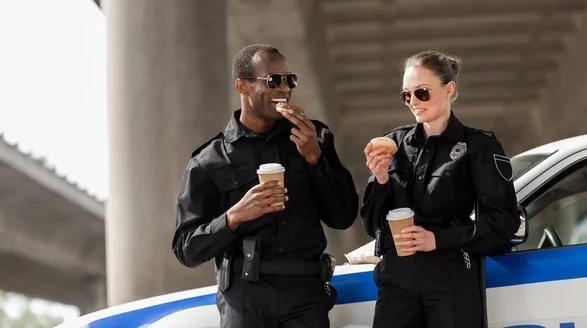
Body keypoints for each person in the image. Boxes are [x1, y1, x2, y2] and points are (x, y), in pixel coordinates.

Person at [172, 44, 358, 328]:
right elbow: (186, 249)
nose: (284, 88)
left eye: (289, 80)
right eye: (273, 80)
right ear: (243, 86)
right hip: (245, 296)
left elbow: (343, 217)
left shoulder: (313, 136)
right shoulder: (209, 160)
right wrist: (234, 216)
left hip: (305, 293)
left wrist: (315, 159)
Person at [361, 50, 520, 328]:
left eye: (422, 93)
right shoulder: (391, 145)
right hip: (396, 281)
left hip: (451, 279)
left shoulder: (479, 146)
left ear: (449, 89)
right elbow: (371, 223)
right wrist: (381, 179)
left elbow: (503, 222)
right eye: (406, 95)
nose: (413, 102)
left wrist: (437, 240)